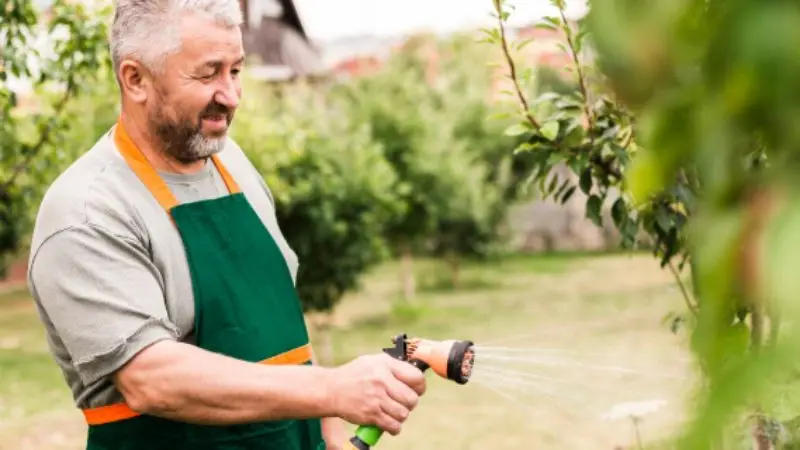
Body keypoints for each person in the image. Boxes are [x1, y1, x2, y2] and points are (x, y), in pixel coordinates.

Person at [25, 1, 426, 449]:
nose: (231, 95)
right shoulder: (88, 210)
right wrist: (334, 390)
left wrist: (327, 430)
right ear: (135, 79)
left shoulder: (231, 165)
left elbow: (279, 325)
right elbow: (152, 379)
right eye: (208, 73)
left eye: (235, 70)